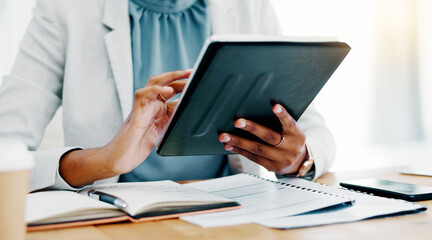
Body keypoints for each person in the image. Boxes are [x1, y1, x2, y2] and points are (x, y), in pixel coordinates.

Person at [0, 0, 336, 192]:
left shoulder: (248, 6)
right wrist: (102, 160)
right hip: (114, 221)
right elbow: (4, 152)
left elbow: (315, 133)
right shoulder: (65, 10)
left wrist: (298, 159)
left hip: (230, 212)